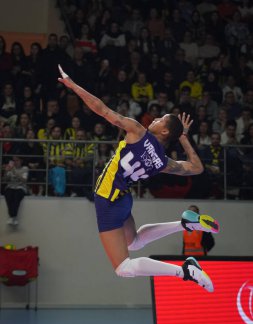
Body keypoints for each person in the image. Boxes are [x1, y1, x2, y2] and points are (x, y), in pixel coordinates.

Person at [58, 65, 220, 293]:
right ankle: (185, 224)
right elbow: (196, 168)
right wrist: (183, 137)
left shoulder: (137, 131)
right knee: (133, 242)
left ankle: (184, 271)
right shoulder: (163, 162)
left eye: (161, 119)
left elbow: (101, 109)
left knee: (123, 268)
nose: (155, 118)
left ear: (164, 132)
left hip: (108, 199)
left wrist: (73, 86)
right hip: (123, 199)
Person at [4, 156, 28, 226]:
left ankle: (12, 216)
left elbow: (24, 180)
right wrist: (6, 171)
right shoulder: (10, 169)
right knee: (8, 196)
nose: (15, 162)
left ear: (21, 161)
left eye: (17, 160)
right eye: (14, 161)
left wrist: (14, 171)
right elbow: (6, 180)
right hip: (10, 187)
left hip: (21, 187)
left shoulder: (25, 169)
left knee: (16, 197)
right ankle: (13, 217)